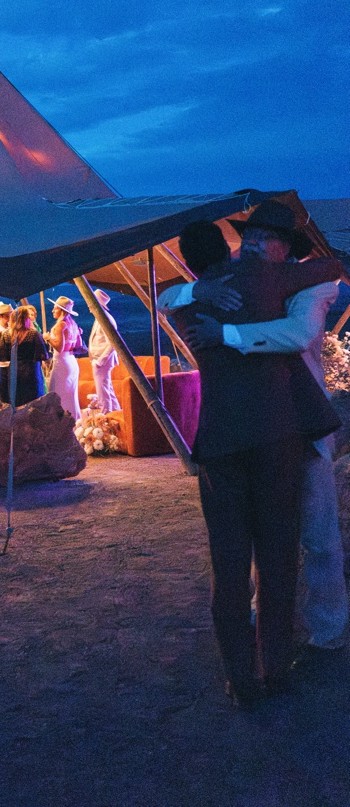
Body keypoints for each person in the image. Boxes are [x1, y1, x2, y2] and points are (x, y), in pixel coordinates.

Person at [159, 208, 343, 705]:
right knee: (279, 557)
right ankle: (276, 671)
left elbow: (164, 297)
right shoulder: (269, 280)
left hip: (220, 440)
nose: (255, 245)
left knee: (228, 562)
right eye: (250, 238)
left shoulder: (184, 304)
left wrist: (198, 291)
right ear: (228, 248)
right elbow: (331, 267)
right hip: (276, 434)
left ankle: (240, 679)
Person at [0, 304, 49, 406]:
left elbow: (2, 356)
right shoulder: (34, 334)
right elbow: (42, 355)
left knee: (17, 402)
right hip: (32, 372)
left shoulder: (6, 335)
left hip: (14, 372)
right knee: (33, 402)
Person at [45, 295, 84, 420]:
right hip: (71, 361)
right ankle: (75, 421)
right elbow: (78, 345)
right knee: (71, 395)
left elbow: (59, 347)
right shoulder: (73, 324)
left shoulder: (60, 326)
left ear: (61, 310)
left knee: (58, 393)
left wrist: (48, 338)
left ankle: (62, 423)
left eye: (55, 308)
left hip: (62, 362)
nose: (53, 311)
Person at [87, 288, 122, 414]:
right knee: (107, 389)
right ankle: (117, 413)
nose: (89, 306)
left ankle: (105, 417)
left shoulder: (106, 319)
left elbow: (112, 342)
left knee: (102, 392)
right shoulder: (100, 319)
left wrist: (100, 360)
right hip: (98, 360)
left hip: (102, 361)